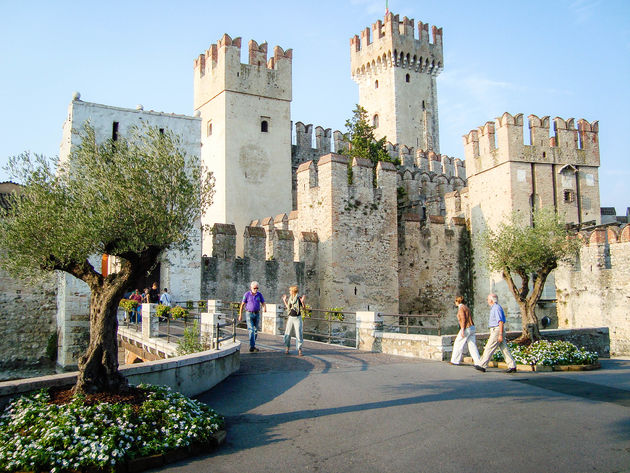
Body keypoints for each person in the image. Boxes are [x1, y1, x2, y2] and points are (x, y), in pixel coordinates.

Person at [475, 293, 517, 373]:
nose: (487, 301)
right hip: (497, 330)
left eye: (488, 299)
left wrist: (500, 334)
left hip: (497, 330)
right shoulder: (495, 307)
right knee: (504, 349)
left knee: (489, 347)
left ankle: (482, 365)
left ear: (491, 300)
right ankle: (512, 366)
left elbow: (500, 321)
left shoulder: (496, 308)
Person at [450, 296, 480, 366]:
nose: (455, 303)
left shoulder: (461, 308)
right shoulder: (466, 307)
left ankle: (455, 360)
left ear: (458, 301)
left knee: (458, 343)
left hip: (466, 328)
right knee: (472, 345)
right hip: (472, 327)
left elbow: (463, 319)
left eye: (455, 301)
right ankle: (478, 362)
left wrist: (462, 329)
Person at [239, 281, 266, 353]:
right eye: (255, 288)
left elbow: (263, 302)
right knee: (251, 330)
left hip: (257, 314)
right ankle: (252, 346)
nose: (256, 289)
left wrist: (264, 308)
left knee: (256, 331)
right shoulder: (247, 294)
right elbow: (242, 305)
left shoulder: (259, 294)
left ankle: (252, 345)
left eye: (257, 288)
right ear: (251, 288)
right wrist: (240, 315)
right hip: (249, 314)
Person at [282, 285, 305, 356]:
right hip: (291, 317)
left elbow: (304, 308)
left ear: (293, 291)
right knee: (287, 333)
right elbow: (288, 307)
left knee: (298, 334)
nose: (289, 292)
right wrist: (284, 300)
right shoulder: (290, 299)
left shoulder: (299, 298)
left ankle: (299, 349)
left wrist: (303, 302)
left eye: (290, 290)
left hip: (297, 318)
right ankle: (287, 347)